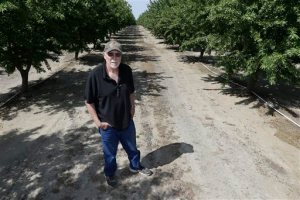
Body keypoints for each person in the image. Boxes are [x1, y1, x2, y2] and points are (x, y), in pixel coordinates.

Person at [84, 40, 153, 187]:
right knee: (109, 155)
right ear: (104, 55)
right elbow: (89, 102)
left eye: (117, 54)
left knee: (133, 148)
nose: (114, 57)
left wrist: (133, 106)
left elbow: (131, 92)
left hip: (126, 122)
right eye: (111, 54)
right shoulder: (95, 75)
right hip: (107, 126)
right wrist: (98, 122)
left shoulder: (127, 70)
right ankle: (110, 174)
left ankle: (135, 166)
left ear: (121, 56)